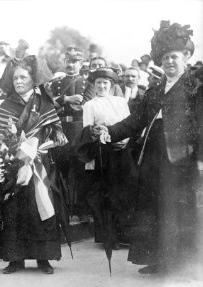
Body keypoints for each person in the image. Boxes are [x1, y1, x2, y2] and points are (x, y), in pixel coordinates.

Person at [96, 21, 202, 274]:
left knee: (176, 209)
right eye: (165, 58)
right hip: (153, 156)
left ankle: (180, 264)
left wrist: (200, 159)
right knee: (151, 209)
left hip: (180, 158)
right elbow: (136, 120)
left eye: (174, 57)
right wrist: (109, 131)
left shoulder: (195, 88)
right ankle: (157, 260)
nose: (169, 62)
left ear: (186, 57)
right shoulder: (155, 90)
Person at [0, 55, 69, 275]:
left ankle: (43, 259)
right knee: (14, 211)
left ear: (33, 79)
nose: (18, 81)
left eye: (23, 77)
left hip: (40, 164)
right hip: (14, 165)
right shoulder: (6, 105)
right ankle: (15, 259)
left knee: (40, 208)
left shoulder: (44, 103)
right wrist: (13, 149)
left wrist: (42, 146)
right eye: (15, 78)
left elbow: (58, 133)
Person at [81, 67, 137, 249]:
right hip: (104, 153)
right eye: (98, 83)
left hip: (123, 151)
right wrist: (102, 137)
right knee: (108, 194)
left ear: (112, 85)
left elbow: (129, 124)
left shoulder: (121, 102)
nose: (102, 86)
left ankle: (126, 234)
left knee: (126, 191)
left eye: (106, 83)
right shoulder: (90, 105)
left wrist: (126, 140)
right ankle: (109, 237)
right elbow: (87, 131)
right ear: (94, 85)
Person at [50, 46, 89, 223]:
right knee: (61, 166)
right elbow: (50, 103)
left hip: (79, 128)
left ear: (81, 64)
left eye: (75, 62)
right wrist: (66, 99)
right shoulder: (57, 83)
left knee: (79, 169)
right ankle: (64, 207)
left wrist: (67, 103)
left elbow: (86, 103)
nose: (71, 65)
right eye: (68, 61)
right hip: (61, 127)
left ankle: (81, 208)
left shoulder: (87, 83)